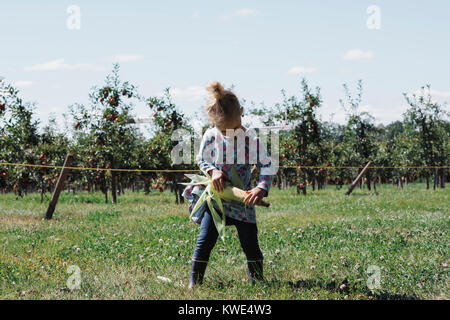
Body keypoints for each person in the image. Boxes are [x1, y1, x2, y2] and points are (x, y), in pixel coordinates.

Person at [183, 81, 274, 289]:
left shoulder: (250, 139)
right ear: (214, 123)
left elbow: (267, 164)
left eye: (233, 128)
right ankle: (194, 283)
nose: (229, 133)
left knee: (250, 243)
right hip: (216, 201)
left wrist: (261, 187)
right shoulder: (210, 136)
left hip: (243, 200)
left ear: (241, 113)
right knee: (204, 241)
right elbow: (201, 159)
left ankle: (258, 282)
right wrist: (212, 171)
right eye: (224, 130)